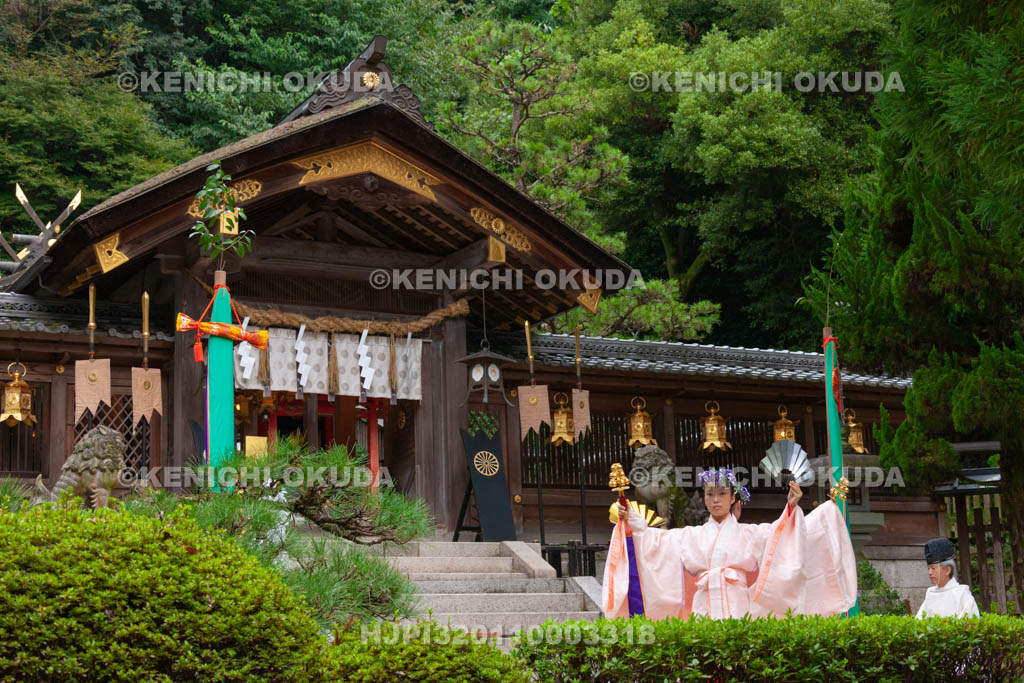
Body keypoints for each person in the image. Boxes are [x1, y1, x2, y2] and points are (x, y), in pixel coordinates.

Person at [602, 468, 857, 620]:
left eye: (722, 494)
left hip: (737, 601)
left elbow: (781, 537)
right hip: (703, 602)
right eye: (710, 494)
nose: (715, 500)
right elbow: (654, 541)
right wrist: (630, 520)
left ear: (733, 497)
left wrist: (792, 507)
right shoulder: (690, 535)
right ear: (704, 498)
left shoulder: (750, 533)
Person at [915, 537, 980, 618]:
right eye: (929, 568)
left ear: (947, 570)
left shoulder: (961, 594)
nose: (930, 573)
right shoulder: (930, 593)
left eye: (933, 568)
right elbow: (919, 621)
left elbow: (970, 621)